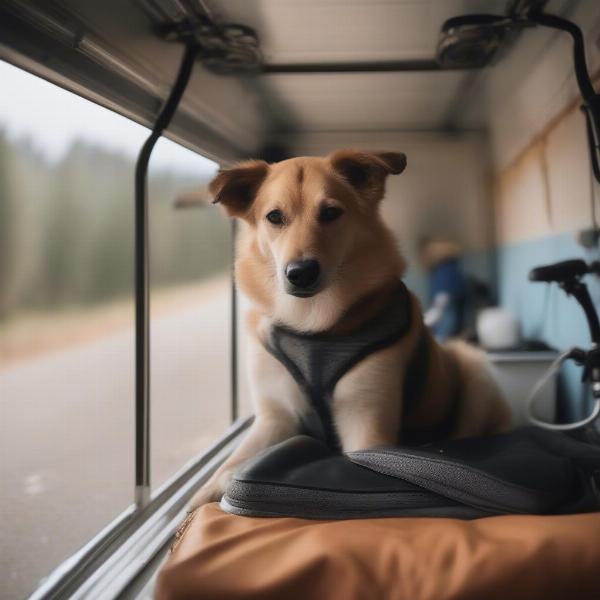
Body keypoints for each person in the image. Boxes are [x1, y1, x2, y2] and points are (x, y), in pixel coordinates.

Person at [420, 238, 467, 340]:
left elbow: (439, 309)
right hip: (456, 327)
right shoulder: (454, 270)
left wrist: (421, 323)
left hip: (446, 331)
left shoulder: (444, 273)